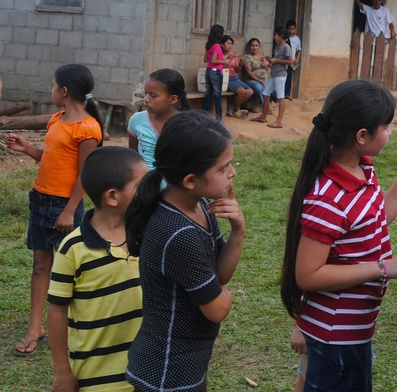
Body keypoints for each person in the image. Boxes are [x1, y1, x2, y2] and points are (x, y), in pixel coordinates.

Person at [279, 80, 397, 392]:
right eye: (386, 126)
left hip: (354, 330)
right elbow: (308, 275)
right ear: (362, 136)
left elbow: (374, 221)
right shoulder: (328, 199)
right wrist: (384, 268)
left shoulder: (363, 169)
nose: (391, 132)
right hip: (336, 335)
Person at [124, 111, 246, 391]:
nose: (233, 172)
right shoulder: (178, 233)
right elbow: (217, 308)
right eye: (223, 167)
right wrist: (220, 293)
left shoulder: (201, 205)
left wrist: (238, 231)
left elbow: (221, 276)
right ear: (190, 180)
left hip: (186, 364)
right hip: (166, 372)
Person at [7, 64, 103, 357]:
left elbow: (84, 175)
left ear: (64, 91)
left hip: (64, 206)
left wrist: (69, 211)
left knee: (71, 269)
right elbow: (51, 158)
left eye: (52, 86)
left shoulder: (88, 128)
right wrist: (28, 150)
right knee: (40, 265)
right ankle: (36, 326)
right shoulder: (57, 119)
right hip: (40, 199)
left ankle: (80, 325)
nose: (50, 91)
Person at [48, 147, 146, 392]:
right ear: (112, 196)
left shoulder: (147, 234)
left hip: (146, 373)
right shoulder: (73, 248)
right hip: (95, 379)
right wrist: (62, 372)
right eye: (142, 186)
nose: (150, 192)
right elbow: (57, 310)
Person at [128, 68, 189, 171]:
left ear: (173, 99)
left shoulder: (186, 126)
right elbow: (133, 157)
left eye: (153, 95)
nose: (146, 99)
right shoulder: (137, 120)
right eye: (145, 93)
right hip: (143, 184)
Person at [252, 27, 294, 128]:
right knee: (265, 94)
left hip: (280, 75)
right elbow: (273, 61)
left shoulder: (286, 47)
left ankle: (279, 121)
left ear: (281, 36)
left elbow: (290, 61)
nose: (274, 37)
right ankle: (263, 116)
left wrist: (275, 61)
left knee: (281, 98)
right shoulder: (277, 46)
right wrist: (267, 59)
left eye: (275, 35)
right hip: (273, 74)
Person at [220, 35, 254, 116]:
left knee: (250, 91)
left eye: (231, 44)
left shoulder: (233, 54)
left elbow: (237, 70)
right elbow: (221, 68)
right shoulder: (219, 54)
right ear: (222, 44)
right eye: (228, 43)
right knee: (242, 91)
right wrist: (231, 57)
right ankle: (236, 109)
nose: (230, 45)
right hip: (225, 79)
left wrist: (241, 64)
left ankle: (233, 107)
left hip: (235, 78)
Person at [202, 24, 226, 120]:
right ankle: (219, 118)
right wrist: (224, 61)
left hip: (209, 70)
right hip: (216, 71)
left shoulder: (209, 45)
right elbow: (214, 60)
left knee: (208, 93)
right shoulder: (217, 46)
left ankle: (205, 115)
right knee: (217, 94)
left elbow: (206, 59)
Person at [242, 37, 270, 110]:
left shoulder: (263, 55)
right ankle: (265, 107)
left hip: (265, 79)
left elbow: (272, 66)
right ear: (249, 47)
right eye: (252, 46)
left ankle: (267, 104)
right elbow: (249, 73)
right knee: (259, 88)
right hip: (251, 80)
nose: (255, 48)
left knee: (274, 89)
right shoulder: (247, 57)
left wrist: (267, 63)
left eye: (256, 45)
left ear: (259, 46)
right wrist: (260, 81)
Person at [286, 19, 302, 100]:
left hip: (292, 61)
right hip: (284, 61)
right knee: (282, 77)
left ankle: (287, 94)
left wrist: (297, 59)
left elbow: (299, 50)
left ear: (295, 29)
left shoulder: (297, 39)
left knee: (289, 78)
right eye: (289, 29)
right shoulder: (284, 37)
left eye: (292, 29)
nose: (290, 30)